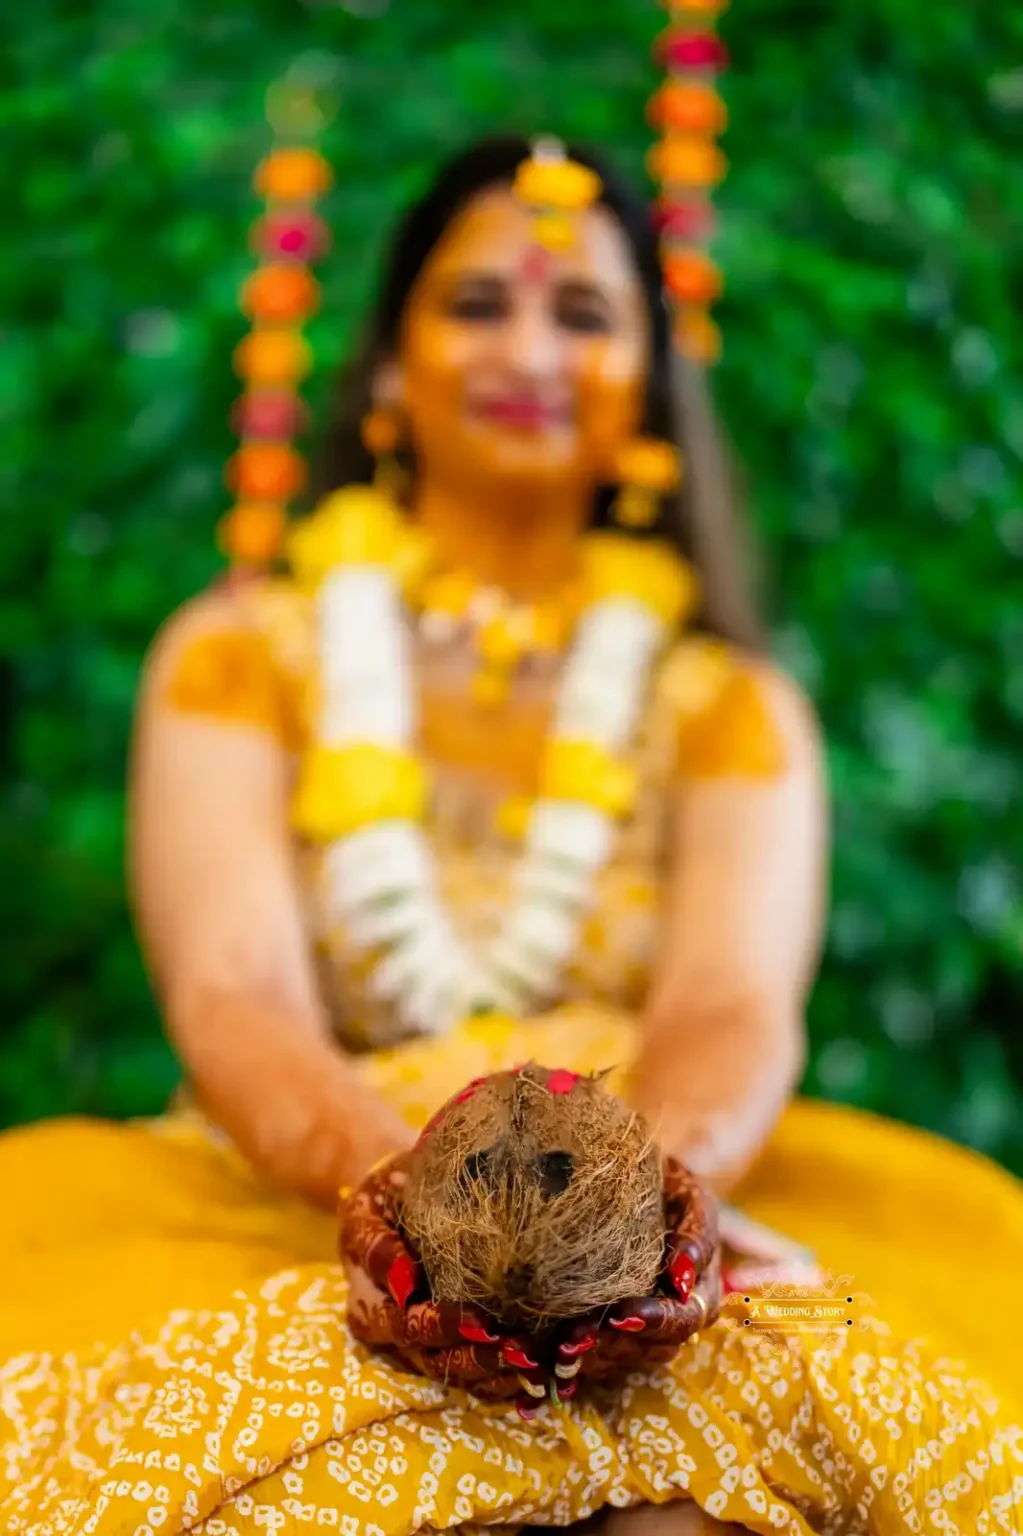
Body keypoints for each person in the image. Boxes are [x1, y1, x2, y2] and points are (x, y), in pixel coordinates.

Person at [1, 134, 1022, 1536]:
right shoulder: (240, 655)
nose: (527, 349)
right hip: (311, 1180)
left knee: (710, 1501)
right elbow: (230, 992)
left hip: (663, 1177)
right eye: (477, 304)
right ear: (389, 364)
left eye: (584, 314)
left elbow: (729, 1002)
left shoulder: (725, 706)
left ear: (647, 390)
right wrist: (416, 1213)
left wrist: (610, 1231)